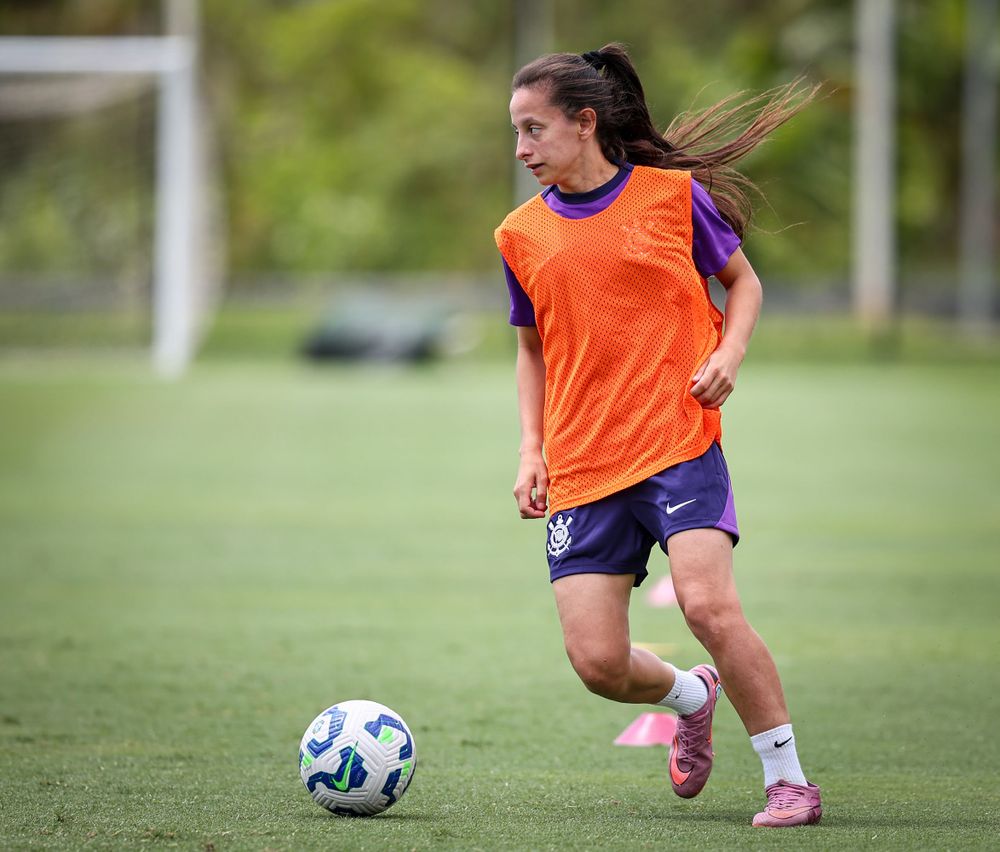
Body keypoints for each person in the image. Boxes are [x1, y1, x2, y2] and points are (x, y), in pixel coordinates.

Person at [494, 43, 822, 828]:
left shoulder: (672, 198)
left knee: (707, 605)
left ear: (585, 123)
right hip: (582, 463)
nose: (522, 149)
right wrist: (531, 448)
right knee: (598, 663)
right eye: (515, 132)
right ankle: (691, 696)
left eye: (535, 129)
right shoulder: (519, 235)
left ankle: (788, 781)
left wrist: (728, 355)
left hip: (678, 443)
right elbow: (531, 349)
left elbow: (743, 283)